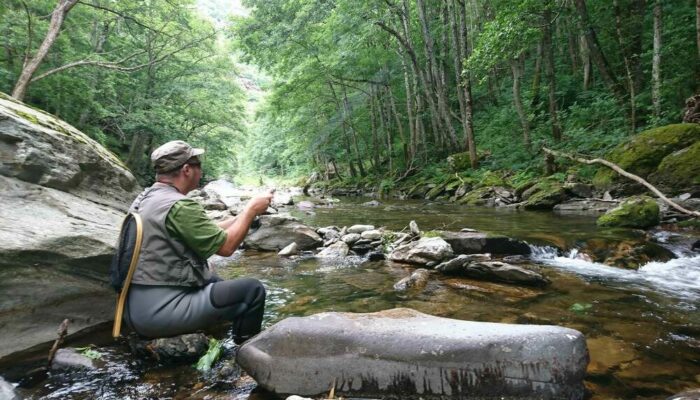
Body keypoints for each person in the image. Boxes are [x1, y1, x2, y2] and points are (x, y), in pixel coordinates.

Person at [123, 140, 273, 344]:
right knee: (252, 291)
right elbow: (227, 248)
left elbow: (206, 232)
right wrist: (252, 210)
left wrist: (243, 214)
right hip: (159, 312)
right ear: (186, 170)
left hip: (137, 306)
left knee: (217, 282)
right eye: (198, 165)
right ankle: (246, 353)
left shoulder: (148, 198)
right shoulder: (179, 206)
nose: (201, 172)